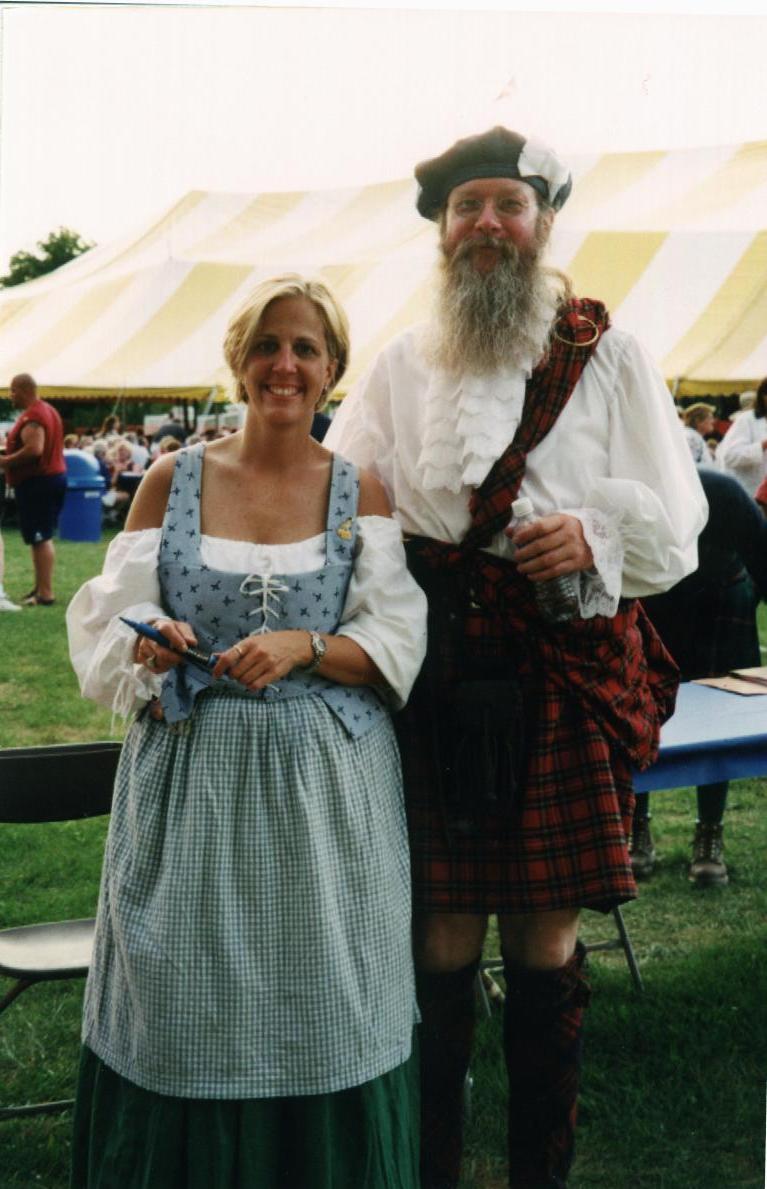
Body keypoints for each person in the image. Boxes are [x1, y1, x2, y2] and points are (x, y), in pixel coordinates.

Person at [326, 126, 707, 1189]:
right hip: (443, 665)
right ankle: (431, 1165)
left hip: (558, 663)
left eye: (506, 205)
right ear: (440, 233)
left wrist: (592, 533)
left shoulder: (608, 356)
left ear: (542, 224)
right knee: (439, 933)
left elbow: (675, 525)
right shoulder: (401, 365)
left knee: (542, 939)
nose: (484, 225)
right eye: (465, 209)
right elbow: (341, 502)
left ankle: (541, 1166)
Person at [66, 274, 427, 1189]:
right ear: (238, 361)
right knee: (188, 996)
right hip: (194, 778)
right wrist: (150, 646)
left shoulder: (360, 491)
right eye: (268, 344)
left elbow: (394, 641)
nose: (285, 364)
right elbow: (109, 623)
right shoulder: (171, 478)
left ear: (332, 369)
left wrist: (308, 643)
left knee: (324, 987)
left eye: (307, 348)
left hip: (326, 787)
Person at [631, 467, 767, 887]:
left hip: (721, 607)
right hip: (654, 606)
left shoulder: (724, 493)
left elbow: (764, 561)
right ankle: (636, 829)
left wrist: (745, 605)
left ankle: (710, 834)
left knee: (719, 722)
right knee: (640, 714)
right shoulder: (638, 490)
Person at [0, 373, 66, 605]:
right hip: (50, 479)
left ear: (24, 390)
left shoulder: (34, 416)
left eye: (12, 391)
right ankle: (40, 588)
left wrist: (5, 461)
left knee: (40, 537)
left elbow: (34, 449)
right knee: (39, 536)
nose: (10, 396)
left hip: (38, 482)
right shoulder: (47, 409)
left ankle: (45, 593)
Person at [717, 377, 767, 496]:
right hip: (750, 495)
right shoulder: (747, 420)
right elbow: (729, 456)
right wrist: (762, 446)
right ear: (763, 396)